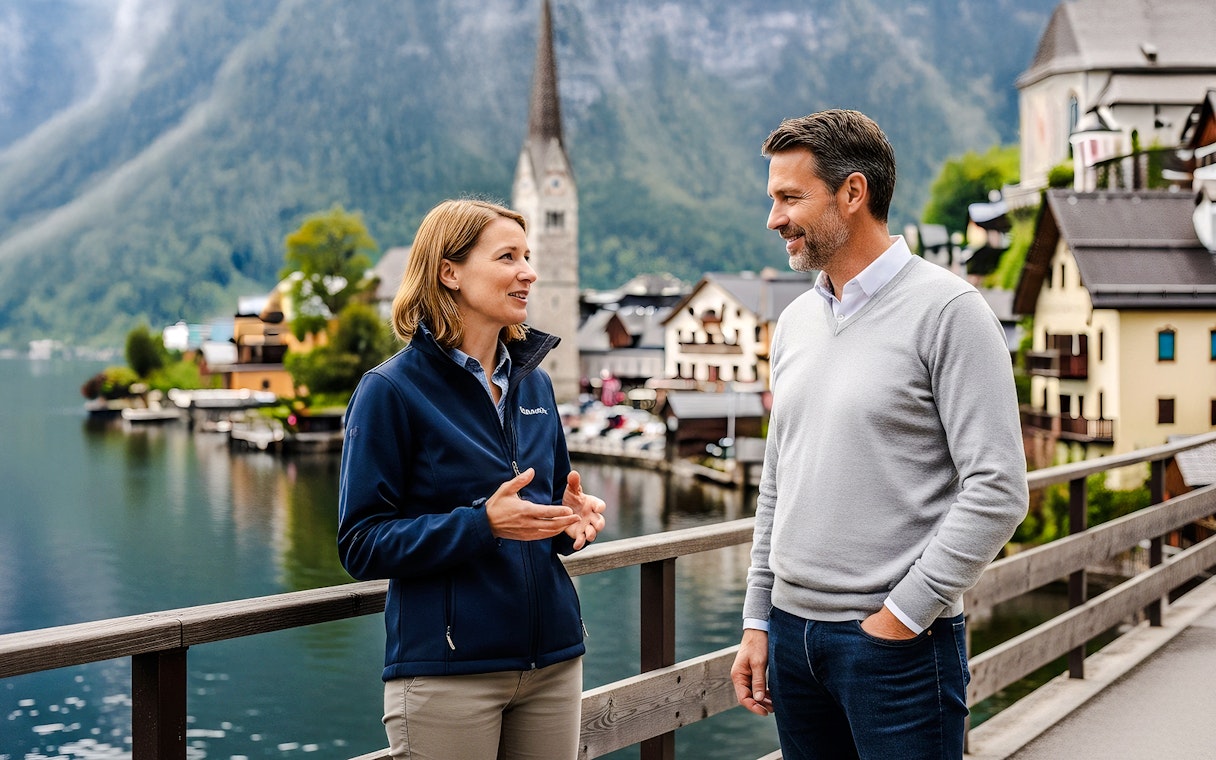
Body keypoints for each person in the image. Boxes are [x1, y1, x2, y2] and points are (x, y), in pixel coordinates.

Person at [730, 110, 1029, 760]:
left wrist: (900, 617)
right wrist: (759, 620)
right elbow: (779, 481)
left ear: (853, 193)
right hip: (791, 638)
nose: (774, 219)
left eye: (789, 198)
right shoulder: (799, 320)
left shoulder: (950, 312)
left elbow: (999, 489)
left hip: (896, 646)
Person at [338, 198, 606, 760]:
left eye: (527, 256)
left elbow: (537, 514)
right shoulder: (390, 391)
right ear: (449, 271)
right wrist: (483, 524)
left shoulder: (534, 384)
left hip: (553, 662)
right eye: (508, 257)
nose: (529, 272)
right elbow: (361, 543)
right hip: (449, 672)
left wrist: (567, 522)